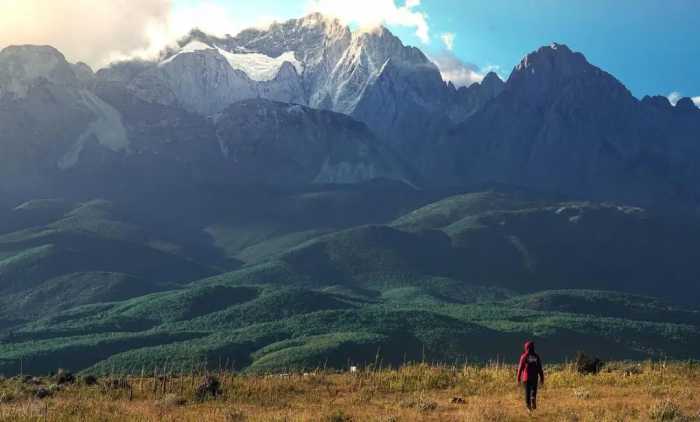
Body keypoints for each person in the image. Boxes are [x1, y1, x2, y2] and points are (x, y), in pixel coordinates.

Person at [516, 340, 544, 411]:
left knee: (527, 393)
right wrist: (542, 378)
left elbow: (520, 368)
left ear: (526, 347)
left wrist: (518, 379)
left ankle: (529, 407)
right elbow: (540, 368)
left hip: (526, 378)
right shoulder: (536, 357)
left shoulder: (524, 357)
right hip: (535, 377)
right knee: (534, 390)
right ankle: (533, 398)